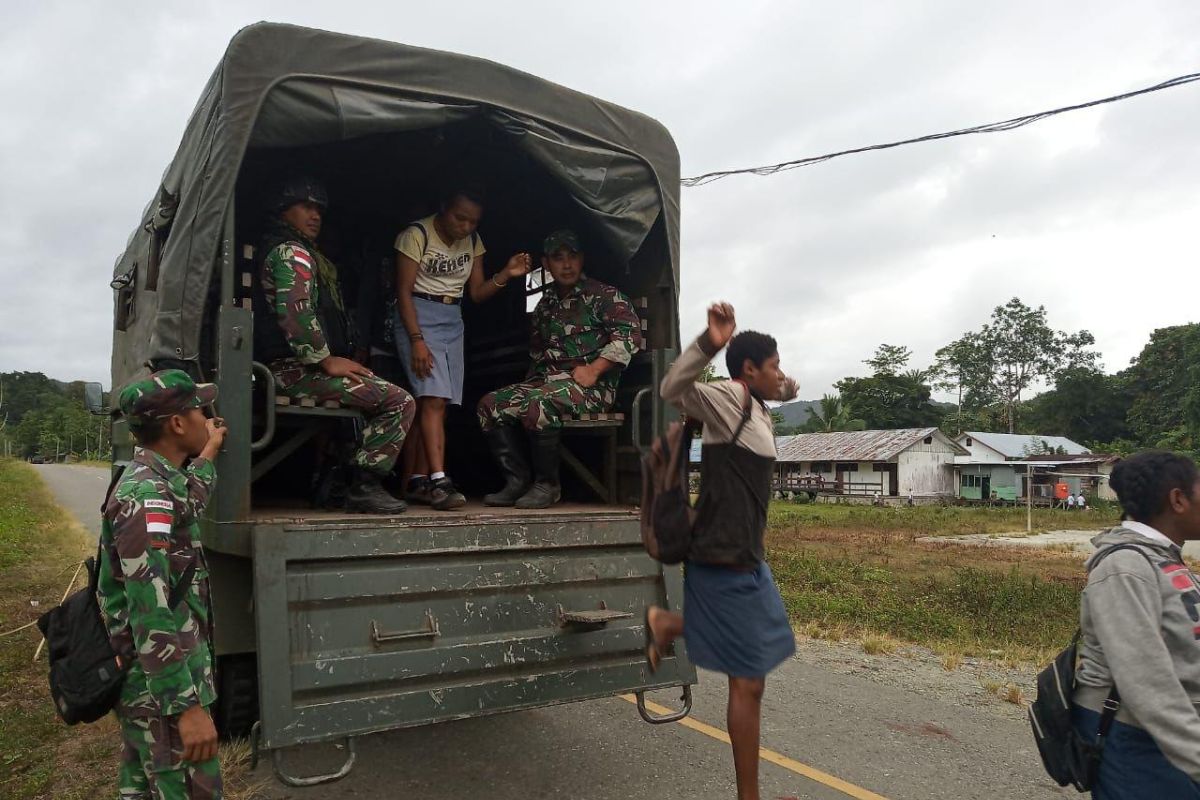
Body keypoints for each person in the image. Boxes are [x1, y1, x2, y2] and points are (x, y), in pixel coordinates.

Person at [643, 302, 799, 800]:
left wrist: (788, 385)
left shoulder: (756, 405)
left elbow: (786, 386)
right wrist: (711, 342)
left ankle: (668, 624)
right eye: (772, 366)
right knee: (748, 683)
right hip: (721, 556)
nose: (779, 373)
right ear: (748, 370)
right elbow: (672, 389)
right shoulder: (729, 399)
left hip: (748, 559)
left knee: (761, 656)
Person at [97, 369, 228, 799]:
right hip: (165, 691)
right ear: (176, 424)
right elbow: (149, 611)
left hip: (151, 685)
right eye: (197, 410)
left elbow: (186, 502)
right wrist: (185, 709)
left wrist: (207, 452)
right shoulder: (144, 498)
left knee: (141, 788)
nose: (204, 416)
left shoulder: (155, 481)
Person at [257, 176, 414, 514]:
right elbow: (295, 313)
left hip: (297, 367)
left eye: (319, 210)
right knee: (398, 401)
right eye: (305, 207)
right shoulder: (292, 253)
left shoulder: (307, 254)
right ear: (284, 211)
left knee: (369, 399)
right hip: (292, 370)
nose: (314, 216)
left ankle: (339, 484)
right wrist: (326, 360)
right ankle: (365, 485)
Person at [477, 229, 643, 509]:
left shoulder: (604, 296)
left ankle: (547, 484)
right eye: (558, 258)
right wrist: (525, 388)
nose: (566, 264)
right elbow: (538, 354)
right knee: (490, 405)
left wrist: (594, 370)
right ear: (546, 263)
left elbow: (629, 337)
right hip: (547, 384)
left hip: (593, 388)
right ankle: (517, 481)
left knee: (537, 403)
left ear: (582, 259)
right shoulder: (545, 305)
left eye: (573, 256)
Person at [394, 188, 531, 510]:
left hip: (452, 319)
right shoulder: (416, 234)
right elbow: (402, 292)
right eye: (460, 218)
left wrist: (506, 274)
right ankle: (440, 481)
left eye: (473, 221)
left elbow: (478, 294)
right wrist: (416, 340)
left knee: (437, 403)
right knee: (434, 399)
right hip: (418, 313)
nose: (466, 226)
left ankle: (416, 480)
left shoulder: (473, 241)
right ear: (444, 208)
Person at [1073, 451, 1200, 797]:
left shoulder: (1164, 558)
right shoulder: (1126, 566)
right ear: (1178, 500)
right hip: (1133, 735)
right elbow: (1145, 679)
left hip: (1169, 734)